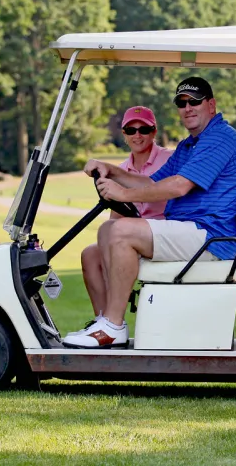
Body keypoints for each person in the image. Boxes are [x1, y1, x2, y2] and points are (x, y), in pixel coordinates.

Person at [63, 77, 236, 349]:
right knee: (106, 232)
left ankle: (113, 325)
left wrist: (122, 194)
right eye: (182, 103)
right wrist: (110, 169)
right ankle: (106, 321)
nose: (188, 108)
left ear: (211, 105)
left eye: (194, 101)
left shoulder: (220, 138)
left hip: (212, 237)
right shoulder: (190, 145)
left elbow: (178, 186)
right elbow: (151, 182)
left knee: (119, 230)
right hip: (191, 231)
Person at [79, 106, 172, 318]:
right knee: (90, 254)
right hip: (132, 238)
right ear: (124, 134)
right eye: (131, 131)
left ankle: (113, 320)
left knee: (115, 232)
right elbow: (116, 217)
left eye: (144, 129)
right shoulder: (120, 171)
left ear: (154, 131)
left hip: (161, 235)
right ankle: (102, 321)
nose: (137, 135)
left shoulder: (169, 160)